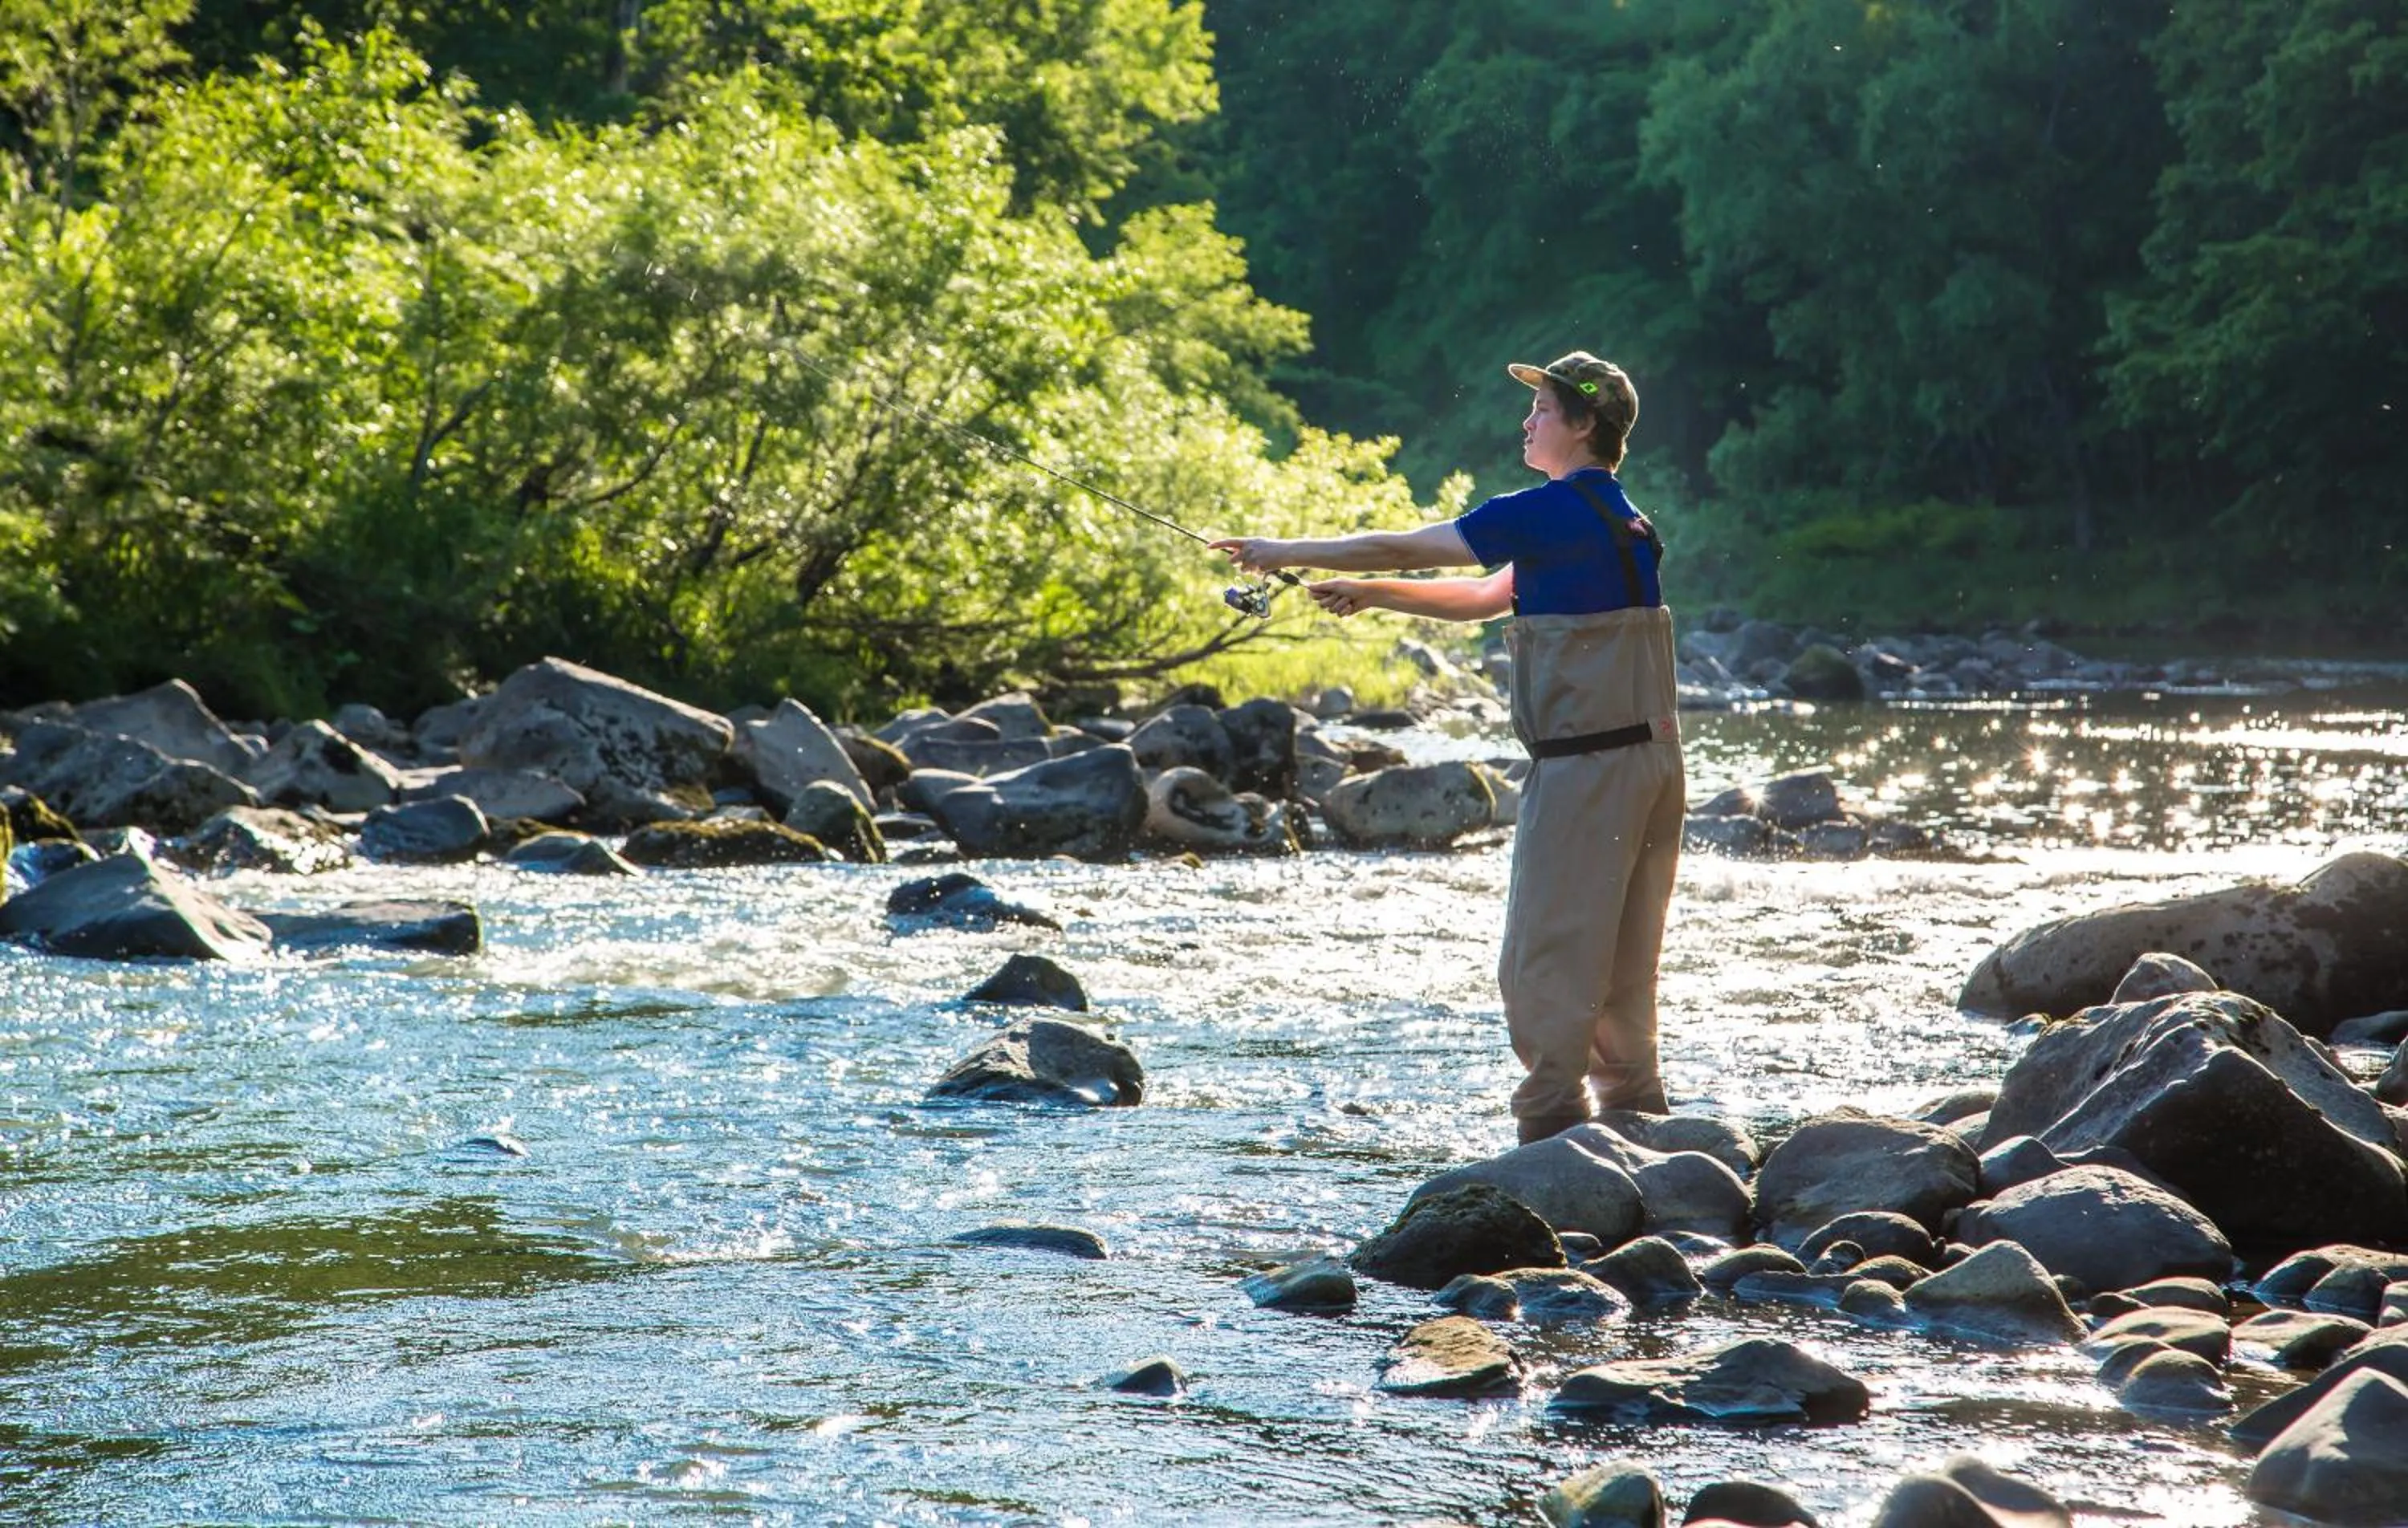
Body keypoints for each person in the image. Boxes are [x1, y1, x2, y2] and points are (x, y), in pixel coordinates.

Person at [1210, 351, 1685, 1142]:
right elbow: (1483, 597)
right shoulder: (1621, 519)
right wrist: (1373, 596)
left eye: (1542, 409)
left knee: (1544, 958)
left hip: (1585, 768)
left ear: (1583, 423)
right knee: (1625, 955)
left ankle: (1551, 1134)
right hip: (1653, 764)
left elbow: (1403, 543)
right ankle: (1638, 1122)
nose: (1527, 420)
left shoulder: (1539, 511)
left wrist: (1282, 550)